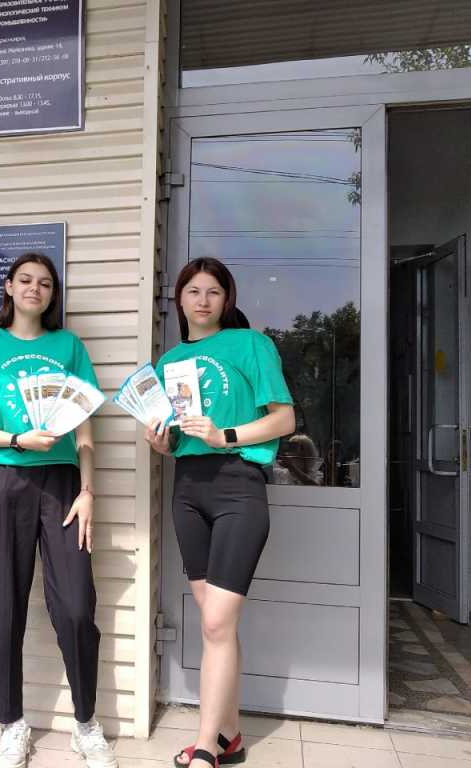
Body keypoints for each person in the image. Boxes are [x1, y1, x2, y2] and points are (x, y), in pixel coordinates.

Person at [0, 253, 118, 768]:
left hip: (63, 481)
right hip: (4, 475)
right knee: (5, 601)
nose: (35, 288)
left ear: (53, 294)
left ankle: (86, 724)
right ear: (8, 286)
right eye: (25, 280)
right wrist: (16, 439)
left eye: (45, 283)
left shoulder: (68, 346)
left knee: (76, 605)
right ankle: (12, 723)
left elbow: (86, 431)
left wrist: (88, 491)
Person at [146, 257, 295, 768]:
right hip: (188, 489)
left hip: (238, 486)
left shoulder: (251, 345)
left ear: (227, 299)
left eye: (213, 291)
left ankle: (206, 746)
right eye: (193, 291)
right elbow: (175, 440)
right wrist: (161, 442)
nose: (203, 300)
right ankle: (230, 737)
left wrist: (225, 434)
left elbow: (284, 419)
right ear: (180, 299)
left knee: (214, 623)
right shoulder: (169, 363)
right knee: (218, 625)